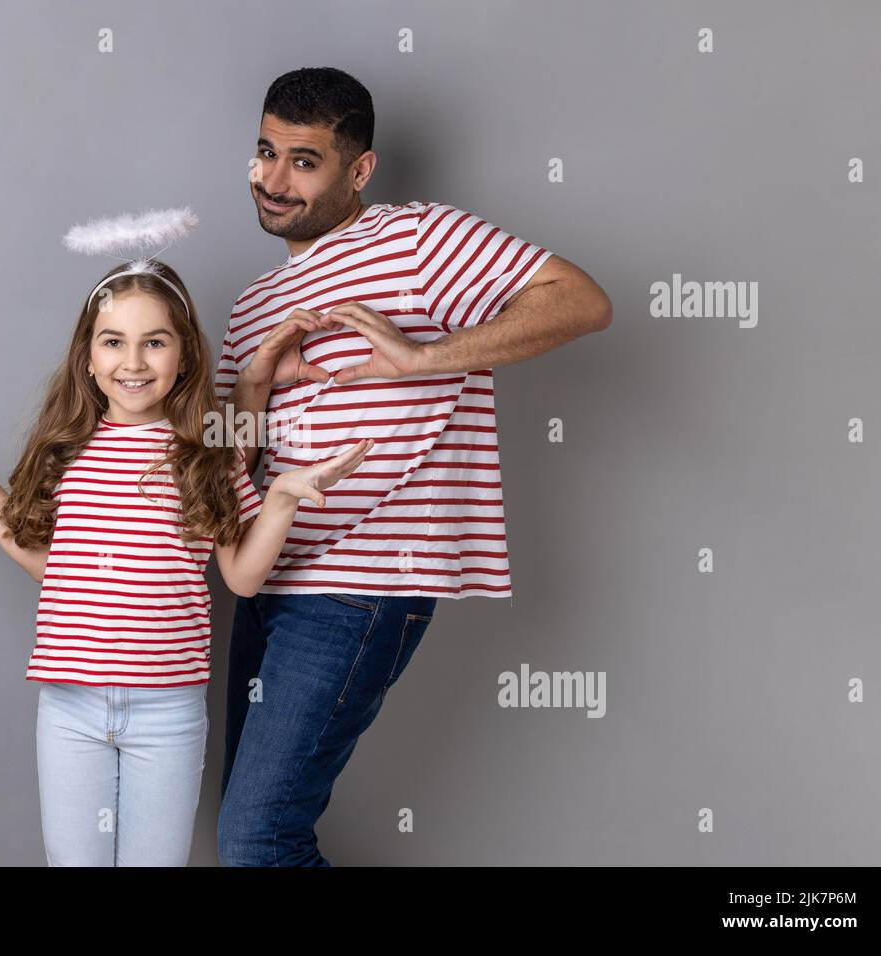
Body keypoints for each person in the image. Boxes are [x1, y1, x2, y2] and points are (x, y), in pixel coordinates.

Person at [216, 67, 613, 865]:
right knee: (248, 834)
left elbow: (581, 300)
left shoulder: (417, 238)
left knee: (256, 843)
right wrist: (254, 385)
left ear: (358, 170)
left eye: (303, 160)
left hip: (359, 589)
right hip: (263, 582)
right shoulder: (253, 301)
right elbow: (232, 459)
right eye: (264, 152)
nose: (272, 178)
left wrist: (422, 357)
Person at [0, 256, 373, 865]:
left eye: (155, 342)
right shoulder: (65, 449)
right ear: (88, 357)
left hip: (166, 712)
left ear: (185, 356)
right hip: (69, 709)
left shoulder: (209, 452)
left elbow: (242, 578)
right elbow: (50, 566)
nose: (134, 362)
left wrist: (278, 500)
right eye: (114, 342)